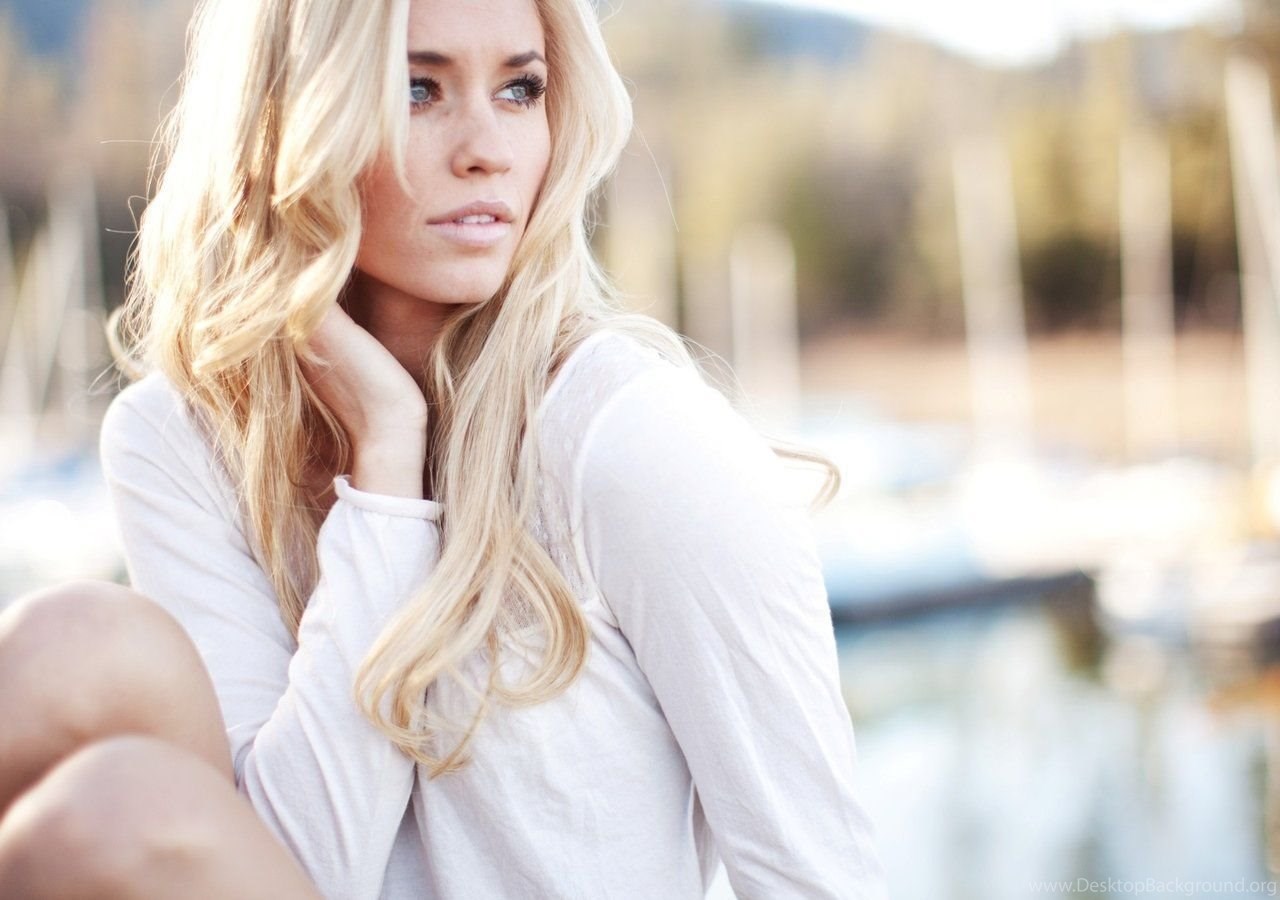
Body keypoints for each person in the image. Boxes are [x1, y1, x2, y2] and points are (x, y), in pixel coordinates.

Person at [0, 0, 887, 896]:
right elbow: (292, 872)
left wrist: (383, 496)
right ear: (284, 121)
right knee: (70, 650)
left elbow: (817, 877)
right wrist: (387, 463)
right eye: (417, 90)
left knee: (116, 806)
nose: (487, 151)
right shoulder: (178, 440)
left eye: (520, 89)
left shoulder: (633, 440)